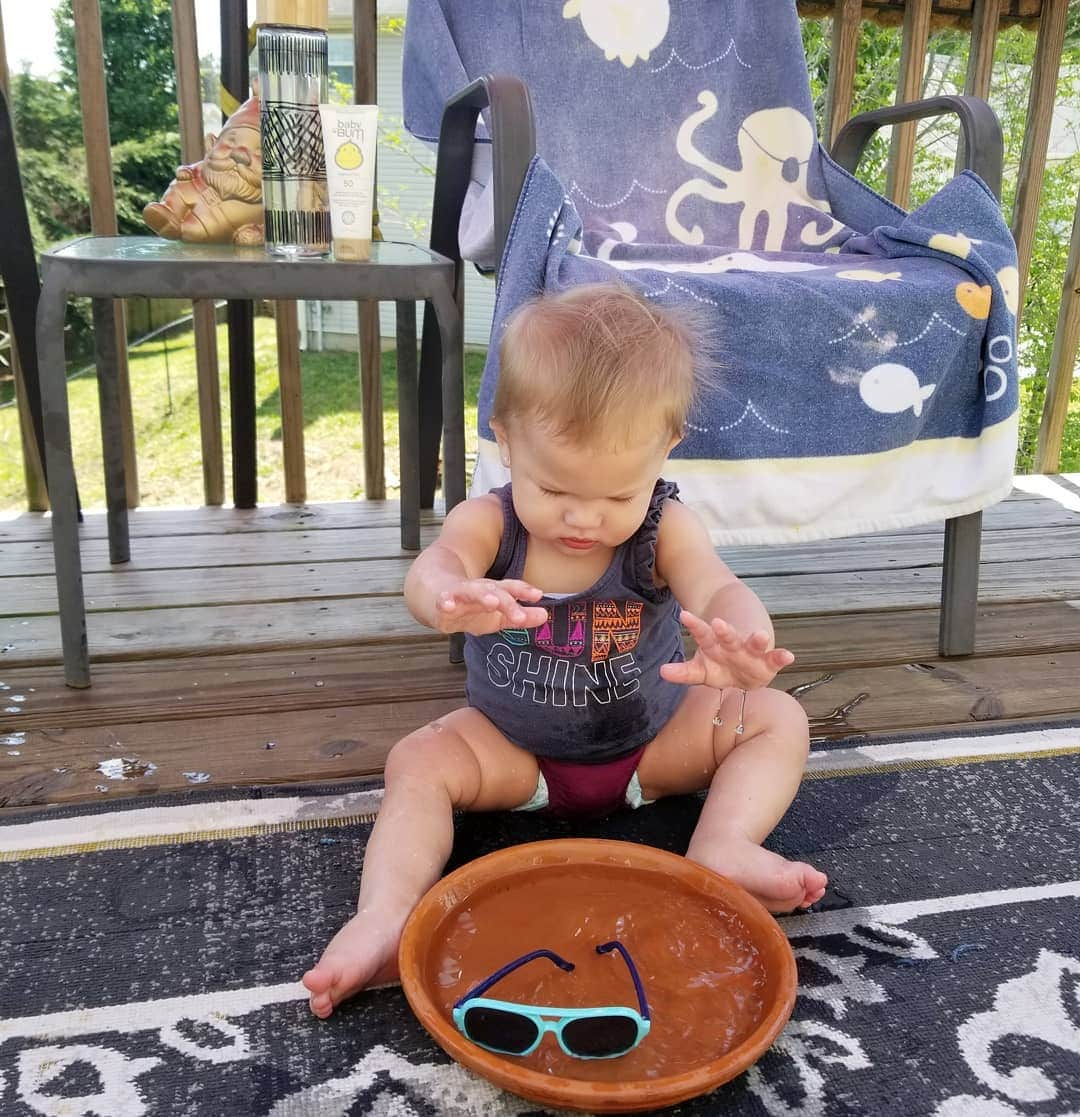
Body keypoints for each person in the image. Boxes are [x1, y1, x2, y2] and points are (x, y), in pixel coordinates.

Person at [303, 282, 826, 1018]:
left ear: (666, 446)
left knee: (777, 718)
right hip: (514, 752)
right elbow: (431, 571)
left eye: (617, 496)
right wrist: (452, 596)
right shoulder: (490, 522)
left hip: (653, 746)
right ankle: (385, 915)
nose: (583, 519)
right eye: (552, 488)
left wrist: (745, 637)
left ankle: (724, 844)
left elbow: (718, 585)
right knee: (417, 761)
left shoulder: (664, 526)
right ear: (506, 438)